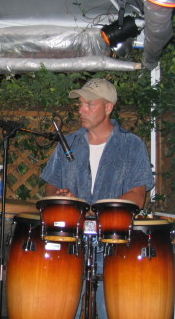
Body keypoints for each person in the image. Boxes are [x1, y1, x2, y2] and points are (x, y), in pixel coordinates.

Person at [40, 78, 154, 318]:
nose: (81, 110)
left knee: (110, 311)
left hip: (115, 245)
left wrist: (95, 210)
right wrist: (62, 197)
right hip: (70, 244)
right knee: (61, 310)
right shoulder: (68, 143)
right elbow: (50, 187)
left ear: (108, 107)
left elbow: (138, 196)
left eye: (89, 104)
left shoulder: (131, 145)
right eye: (80, 104)